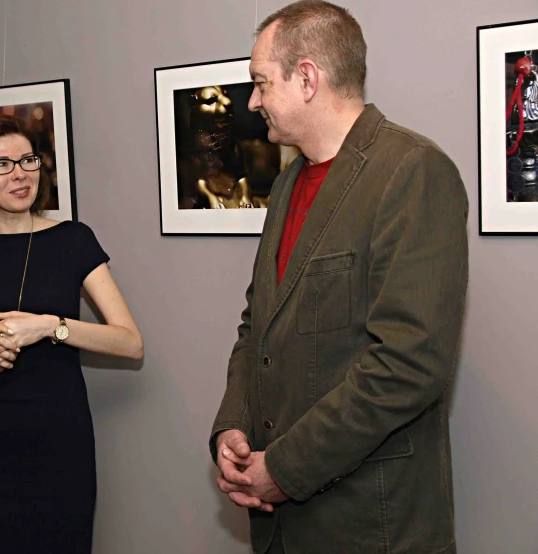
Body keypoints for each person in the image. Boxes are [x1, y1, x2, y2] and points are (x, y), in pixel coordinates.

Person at [209, 2, 468, 553]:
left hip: (368, 525)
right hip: (281, 527)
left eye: (260, 83)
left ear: (306, 78)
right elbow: (258, 326)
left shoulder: (412, 171)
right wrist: (233, 427)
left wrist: (283, 467)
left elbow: (408, 364)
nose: (253, 102)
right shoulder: (285, 185)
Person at [0, 115, 143, 553]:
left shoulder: (73, 240)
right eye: (2, 164)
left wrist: (50, 326)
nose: (20, 173)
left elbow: (129, 342)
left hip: (58, 441)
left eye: (27, 160)